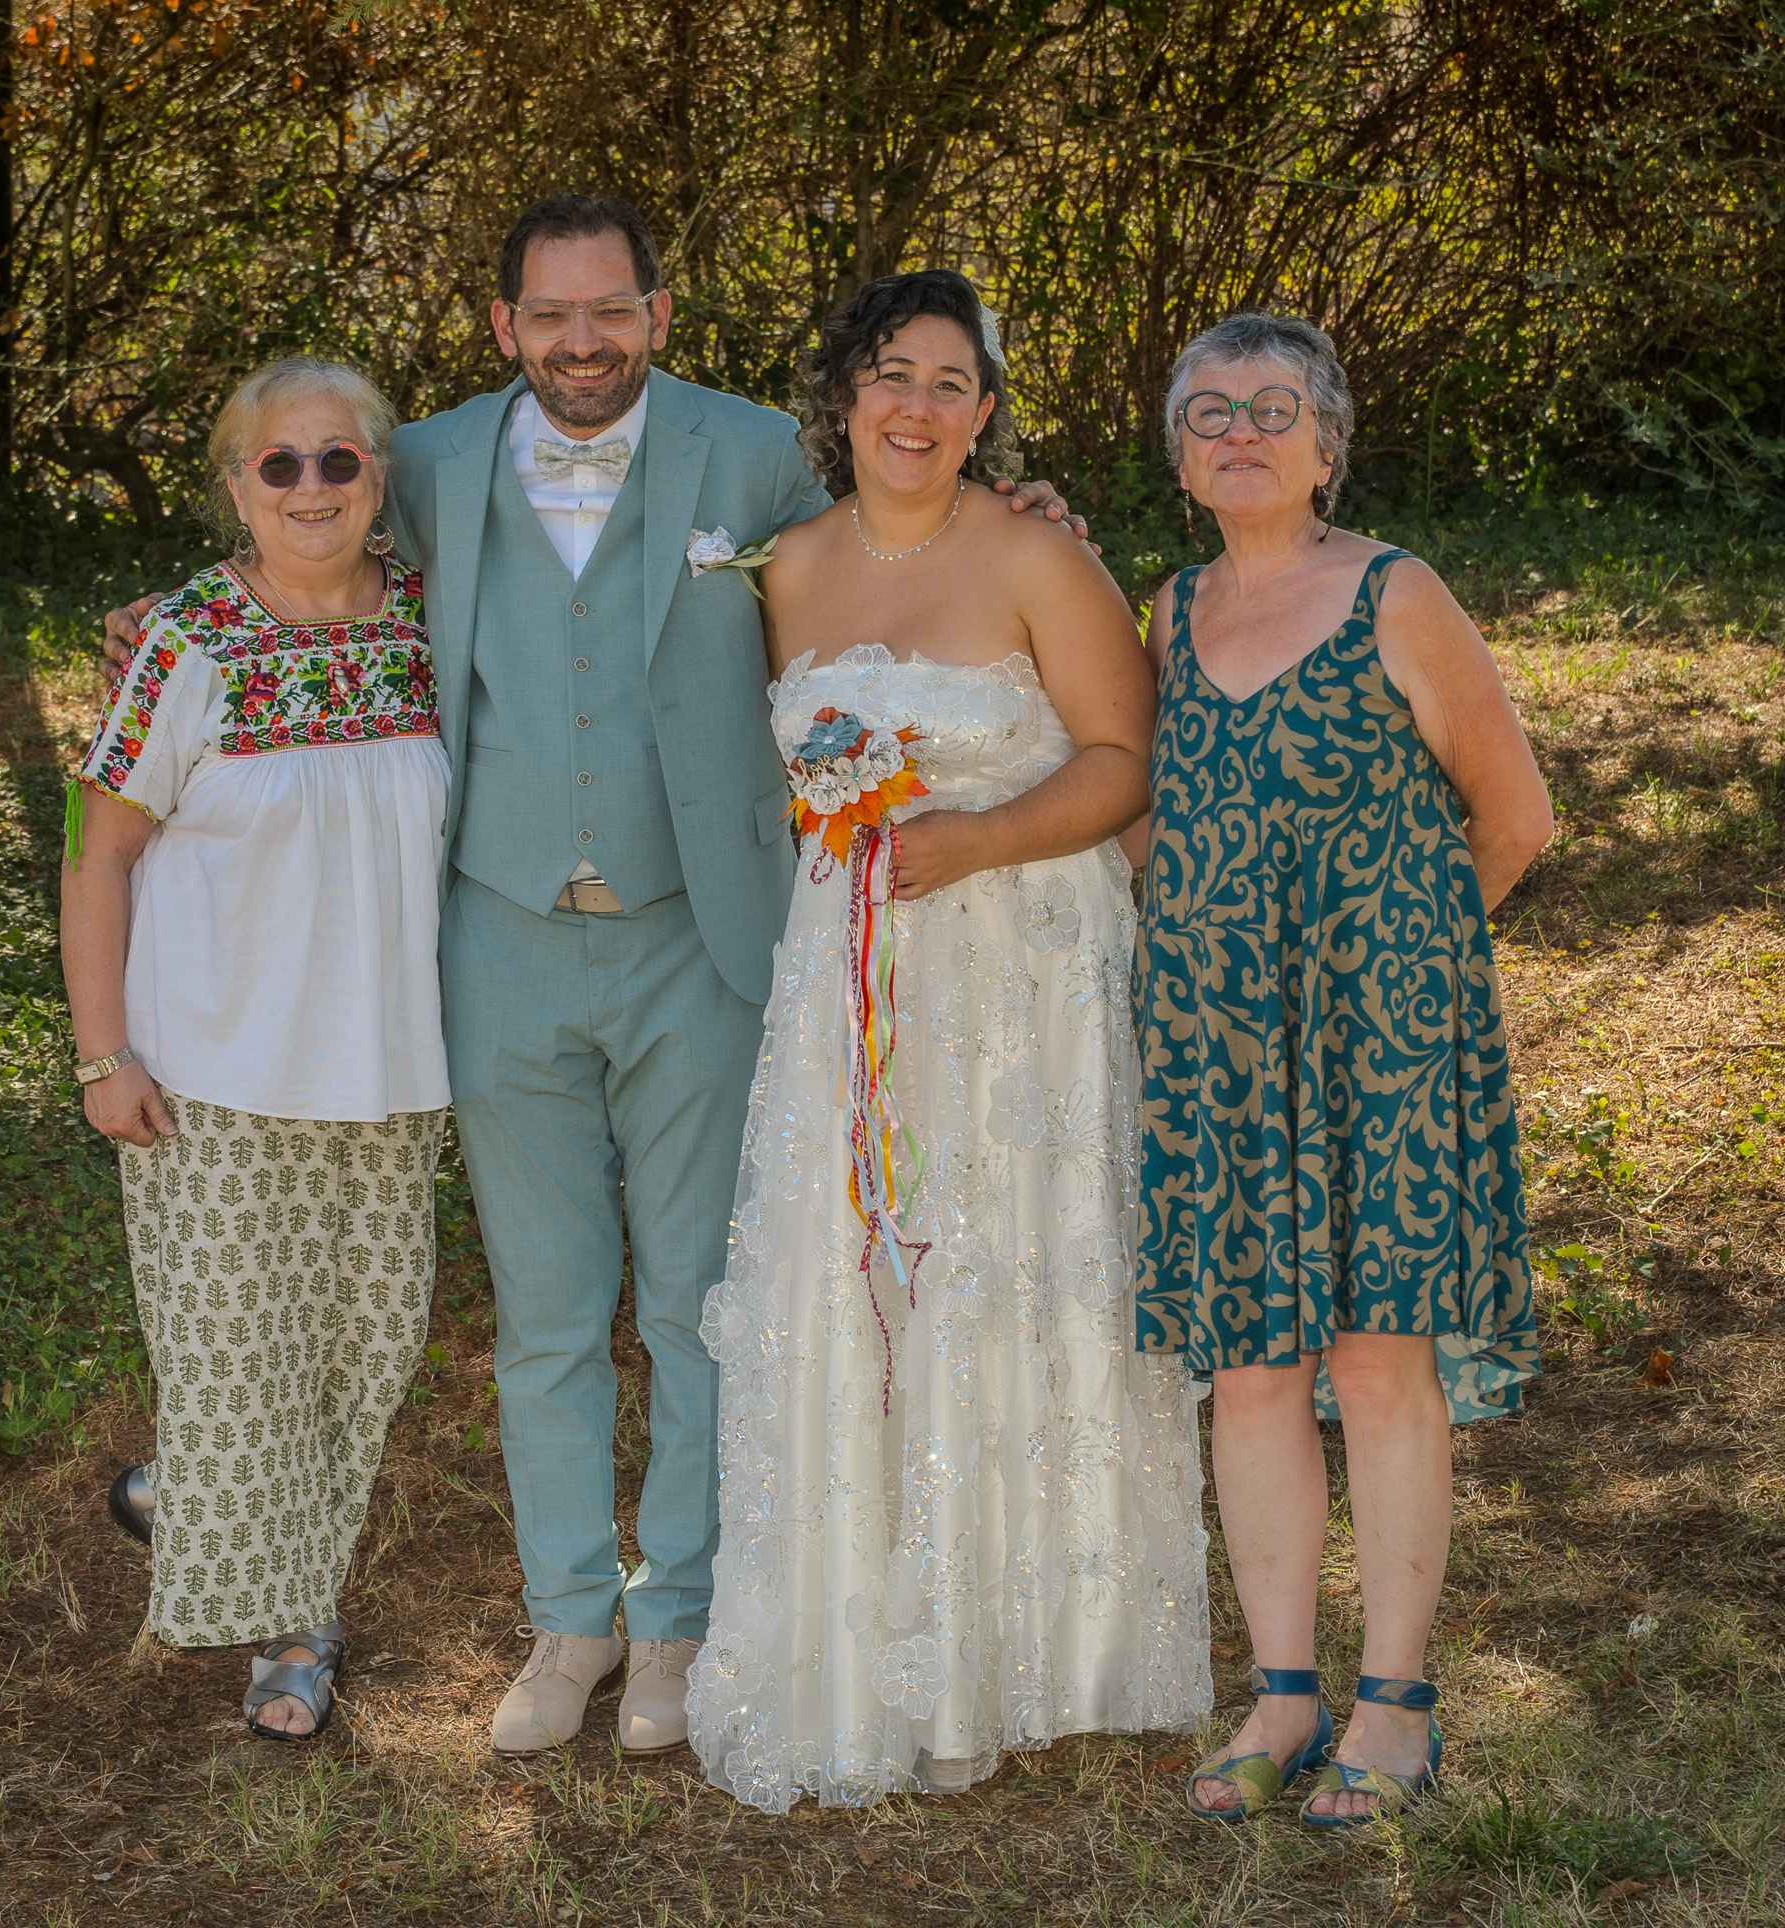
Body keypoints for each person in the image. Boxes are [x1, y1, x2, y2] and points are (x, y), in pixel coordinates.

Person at [97, 197, 1089, 1760]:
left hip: (699, 929)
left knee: (700, 1303)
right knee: (548, 1313)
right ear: (505, 327)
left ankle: (679, 1620)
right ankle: (568, 1619)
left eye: (610, 309)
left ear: (658, 315)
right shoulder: (425, 461)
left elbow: (893, 534)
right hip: (495, 940)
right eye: (551, 314)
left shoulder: (753, 453)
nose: (581, 341)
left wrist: (1022, 508)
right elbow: (304, 535)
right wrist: (175, 612)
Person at [684, 269, 1213, 1813]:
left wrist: (977, 840)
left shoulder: (1037, 553)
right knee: (864, 1277)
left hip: (1022, 970)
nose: (917, 407)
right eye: (891, 375)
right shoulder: (783, 570)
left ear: (984, 414)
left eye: (951, 383)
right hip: (848, 982)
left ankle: (1039, 1639)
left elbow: (1125, 761)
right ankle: (878, 1634)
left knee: (1011, 1263)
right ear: (843, 396)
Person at [1130, 313, 1552, 1829]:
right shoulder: (1166, 613)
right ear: (1182, 457)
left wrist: (1400, 965)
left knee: (1377, 1362)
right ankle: (1283, 1695)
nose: (1240, 432)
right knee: (1251, 1366)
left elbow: (1514, 817)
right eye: (1209, 413)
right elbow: (1146, 808)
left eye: (1272, 408)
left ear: (1327, 444)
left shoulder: (1396, 592)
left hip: (1388, 1039)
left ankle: (1396, 1704)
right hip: (1221, 1046)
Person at [61, 356, 452, 1741]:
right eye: (279, 463)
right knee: (242, 1363)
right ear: (236, 486)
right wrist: (103, 1055)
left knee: (362, 1359)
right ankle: (296, 1630)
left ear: (380, 476)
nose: (311, 487)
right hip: (213, 1073)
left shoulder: (433, 619)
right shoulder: (183, 642)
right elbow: (98, 854)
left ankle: (196, 1496)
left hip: (392, 1071)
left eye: (339, 459)